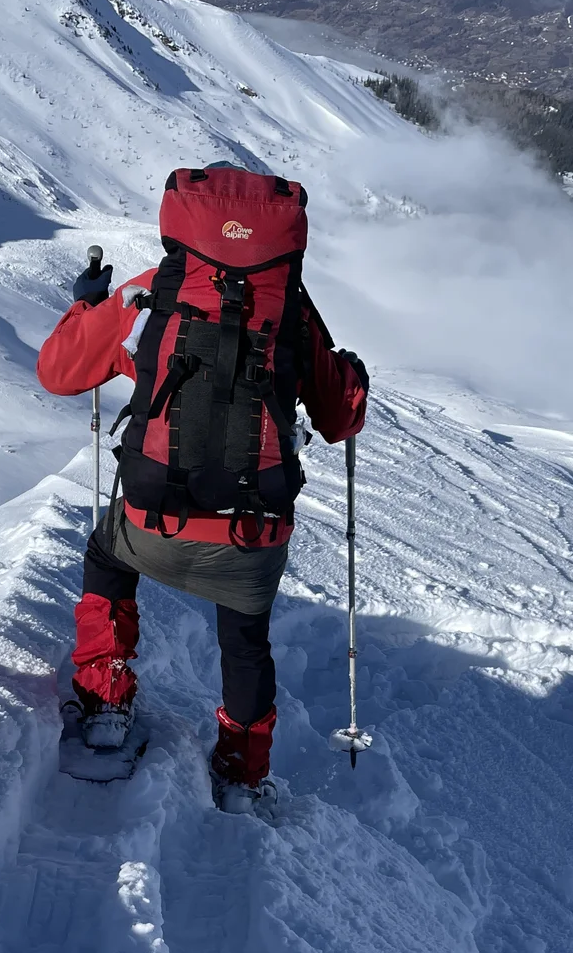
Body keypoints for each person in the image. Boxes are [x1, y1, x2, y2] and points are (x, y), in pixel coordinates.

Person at [35, 164, 369, 810]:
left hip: (152, 519)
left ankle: (106, 701)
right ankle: (243, 771)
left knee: (107, 558)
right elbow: (339, 419)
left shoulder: (148, 292)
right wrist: (348, 373)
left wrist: (85, 303)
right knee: (246, 643)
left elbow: (60, 372)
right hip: (251, 530)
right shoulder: (291, 311)